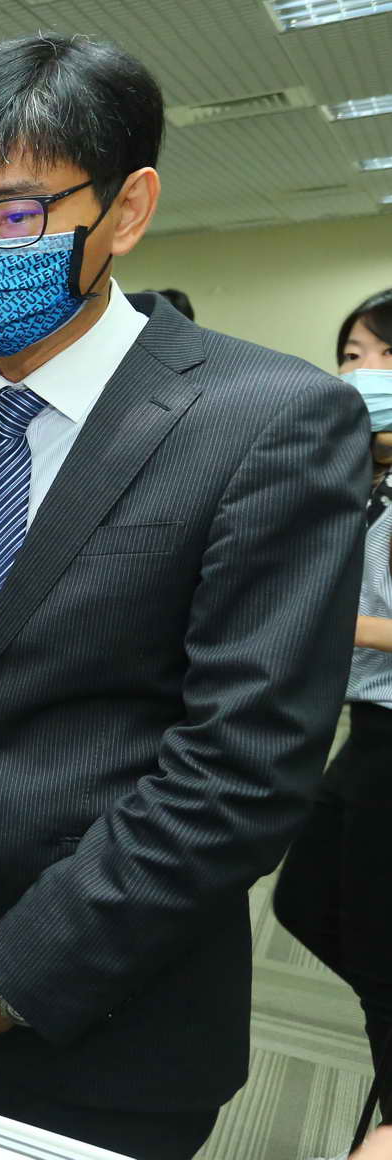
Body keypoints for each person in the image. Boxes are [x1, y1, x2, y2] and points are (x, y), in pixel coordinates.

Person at [0, 35, 367, 1160]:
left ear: (125, 210)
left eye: (14, 216)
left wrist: (13, 973)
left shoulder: (268, 418)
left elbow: (242, 765)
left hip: (108, 1014)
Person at [273, 288, 392, 1131]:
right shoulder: (373, 473)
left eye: (381, 355)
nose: (361, 374)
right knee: (305, 901)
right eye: (350, 356)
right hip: (364, 727)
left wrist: (331, 618)